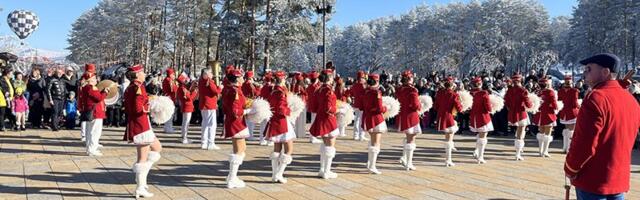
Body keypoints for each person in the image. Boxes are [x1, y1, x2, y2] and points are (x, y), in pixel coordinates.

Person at [565, 53, 640, 199]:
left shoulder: (596, 97)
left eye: (589, 69)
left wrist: (570, 168)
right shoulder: (630, 100)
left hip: (593, 179)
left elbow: (585, 143)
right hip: (619, 178)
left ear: (605, 72)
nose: (584, 73)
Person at [123, 64, 162, 198]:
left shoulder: (133, 87)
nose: (145, 74)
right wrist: (150, 106)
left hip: (143, 124)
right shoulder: (137, 87)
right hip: (140, 125)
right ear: (137, 74)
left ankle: (142, 178)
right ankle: (140, 187)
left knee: (157, 148)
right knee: (142, 159)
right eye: (142, 72)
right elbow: (137, 108)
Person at [221, 69, 250, 188]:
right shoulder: (235, 91)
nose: (243, 79)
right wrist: (248, 110)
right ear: (237, 78)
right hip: (236, 122)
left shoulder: (229, 88)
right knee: (239, 150)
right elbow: (235, 111)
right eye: (241, 77)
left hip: (234, 122)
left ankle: (231, 176)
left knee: (240, 149)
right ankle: (232, 178)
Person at [265, 71, 296, 183]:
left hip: (274, 121)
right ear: (282, 79)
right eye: (284, 79)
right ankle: (279, 173)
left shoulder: (273, 91)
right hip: (282, 121)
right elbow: (281, 109)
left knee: (277, 149)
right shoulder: (280, 92)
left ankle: (274, 175)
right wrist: (290, 110)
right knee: (289, 149)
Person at [309, 69, 339, 179]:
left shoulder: (319, 89)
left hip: (321, 117)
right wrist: (337, 110)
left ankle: (322, 169)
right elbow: (329, 108)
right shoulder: (328, 90)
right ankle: (327, 171)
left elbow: (316, 105)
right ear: (330, 78)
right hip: (328, 119)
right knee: (330, 146)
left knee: (325, 145)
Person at [395, 70, 422, 170]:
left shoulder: (400, 89)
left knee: (408, 137)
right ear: (410, 78)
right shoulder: (413, 90)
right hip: (411, 116)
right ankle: (408, 163)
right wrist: (420, 106)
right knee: (412, 138)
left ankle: (404, 158)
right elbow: (415, 105)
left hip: (403, 115)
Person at [434, 76, 463, 167]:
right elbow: (459, 107)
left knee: (448, 136)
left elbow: (435, 106)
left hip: (441, 116)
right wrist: (462, 108)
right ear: (452, 85)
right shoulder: (454, 94)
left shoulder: (439, 93)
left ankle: (448, 158)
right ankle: (448, 160)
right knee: (449, 138)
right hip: (449, 116)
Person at [361, 73, 386, 174]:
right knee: (376, 143)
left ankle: (370, 163)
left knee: (372, 141)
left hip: (368, 117)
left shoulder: (366, 91)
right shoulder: (377, 92)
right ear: (377, 81)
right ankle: (372, 166)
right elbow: (380, 108)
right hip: (376, 119)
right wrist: (386, 108)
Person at [505, 74, 532, 161]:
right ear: (521, 81)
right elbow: (528, 104)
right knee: (520, 133)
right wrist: (532, 105)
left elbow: (506, 103)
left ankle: (520, 150)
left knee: (519, 132)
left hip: (512, 113)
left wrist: (511, 109)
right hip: (521, 113)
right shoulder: (523, 90)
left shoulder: (509, 90)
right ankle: (518, 154)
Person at [81, 72, 108, 156]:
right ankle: (92, 149)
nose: (96, 80)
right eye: (94, 78)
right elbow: (99, 98)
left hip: (91, 111)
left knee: (89, 131)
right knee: (95, 132)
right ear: (91, 80)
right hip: (95, 111)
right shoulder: (91, 88)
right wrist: (105, 92)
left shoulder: (85, 87)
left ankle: (89, 148)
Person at [469, 77, 493, 164]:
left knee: (480, 134)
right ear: (480, 84)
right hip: (483, 117)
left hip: (474, 117)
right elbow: (488, 107)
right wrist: (492, 107)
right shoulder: (484, 93)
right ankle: (480, 157)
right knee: (483, 137)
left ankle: (476, 150)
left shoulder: (471, 93)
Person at [532, 77, 558, 158]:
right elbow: (554, 103)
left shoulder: (537, 92)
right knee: (548, 133)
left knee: (541, 133)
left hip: (540, 114)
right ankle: (545, 151)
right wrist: (556, 108)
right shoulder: (550, 92)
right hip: (548, 114)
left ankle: (540, 151)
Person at [198, 68, 221, 150]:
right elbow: (216, 91)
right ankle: (211, 143)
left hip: (204, 105)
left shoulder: (201, 81)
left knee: (205, 124)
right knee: (212, 125)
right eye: (211, 72)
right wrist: (220, 87)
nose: (212, 74)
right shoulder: (209, 81)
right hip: (209, 105)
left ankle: (204, 143)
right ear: (206, 74)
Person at [557, 76, 579, 153]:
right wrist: (580, 105)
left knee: (566, 130)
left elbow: (559, 101)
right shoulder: (574, 91)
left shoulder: (561, 91)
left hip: (564, 112)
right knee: (571, 131)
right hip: (572, 113)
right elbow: (575, 103)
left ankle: (565, 147)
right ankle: (569, 149)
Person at [177, 74, 197, 144]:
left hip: (185, 106)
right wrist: (195, 92)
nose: (187, 81)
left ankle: (183, 136)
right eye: (186, 80)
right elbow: (190, 98)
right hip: (187, 106)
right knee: (186, 123)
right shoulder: (183, 89)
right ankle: (184, 138)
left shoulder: (182, 88)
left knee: (184, 122)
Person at [241, 71, 259, 141]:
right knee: (251, 121)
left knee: (246, 120)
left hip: (245, 101)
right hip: (250, 102)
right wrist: (258, 87)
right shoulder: (250, 84)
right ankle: (250, 135)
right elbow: (255, 93)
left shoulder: (244, 83)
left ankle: (247, 135)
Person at [258, 72, 275, 146]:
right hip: (269, 106)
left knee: (263, 124)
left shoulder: (263, 87)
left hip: (263, 106)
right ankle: (270, 139)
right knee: (270, 124)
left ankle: (262, 139)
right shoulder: (271, 87)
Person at [305, 71, 323, 144]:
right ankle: (313, 137)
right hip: (316, 106)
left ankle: (313, 136)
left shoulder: (310, 87)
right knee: (314, 122)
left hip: (311, 105)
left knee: (313, 121)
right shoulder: (316, 87)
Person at [350, 70, 368, 141]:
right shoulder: (363, 85)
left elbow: (351, 93)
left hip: (356, 103)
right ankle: (361, 135)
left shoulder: (354, 85)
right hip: (362, 104)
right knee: (362, 120)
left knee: (356, 120)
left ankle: (355, 135)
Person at [291, 72, 308, 139]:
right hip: (301, 101)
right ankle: (300, 133)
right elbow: (304, 93)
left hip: (298, 101)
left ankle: (297, 132)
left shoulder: (295, 85)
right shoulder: (299, 86)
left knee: (297, 118)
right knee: (301, 118)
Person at [162, 68, 178, 134]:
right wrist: (177, 85)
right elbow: (173, 90)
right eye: (173, 74)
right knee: (170, 114)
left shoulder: (166, 79)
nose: (174, 75)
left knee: (168, 113)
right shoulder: (169, 80)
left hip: (168, 97)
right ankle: (169, 128)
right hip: (170, 98)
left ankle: (167, 127)